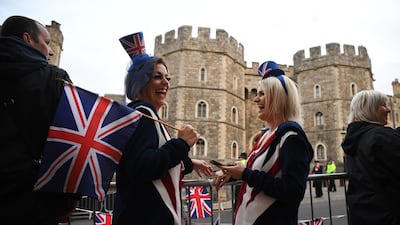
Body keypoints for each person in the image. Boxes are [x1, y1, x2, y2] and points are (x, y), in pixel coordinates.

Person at [113, 32, 213, 225]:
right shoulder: (143, 115)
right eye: (157, 77)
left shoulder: (148, 116)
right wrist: (182, 144)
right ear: (140, 82)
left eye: (167, 78)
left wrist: (190, 163)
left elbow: (161, 162)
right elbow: (142, 167)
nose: (166, 83)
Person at [0, 16, 80, 225]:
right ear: (28, 39)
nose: (51, 51)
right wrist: (69, 198)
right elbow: (73, 143)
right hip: (35, 203)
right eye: (46, 42)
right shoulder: (55, 80)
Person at [213, 60, 314, 225]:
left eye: (262, 94)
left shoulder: (292, 137)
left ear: (278, 98)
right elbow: (262, 173)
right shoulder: (267, 136)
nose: (255, 99)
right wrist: (232, 173)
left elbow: (293, 191)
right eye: (256, 93)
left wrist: (245, 174)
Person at [341, 90, 400, 225]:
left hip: (361, 213)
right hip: (388, 214)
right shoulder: (380, 136)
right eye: (383, 105)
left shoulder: (353, 139)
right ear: (370, 109)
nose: (388, 110)